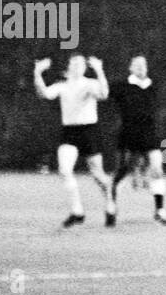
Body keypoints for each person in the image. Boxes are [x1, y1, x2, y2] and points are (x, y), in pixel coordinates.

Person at [33, 55, 114, 228]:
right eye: (73, 63)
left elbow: (104, 94)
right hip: (70, 132)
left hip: (89, 131)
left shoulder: (89, 83)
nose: (77, 66)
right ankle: (77, 211)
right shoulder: (62, 86)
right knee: (64, 170)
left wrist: (100, 70)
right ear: (69, 66)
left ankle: (110, 205)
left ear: (85, 67)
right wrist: (38, 72)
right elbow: (45, 94)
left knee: (98, 175)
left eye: (80, 63)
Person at [107, 55, 166, 225]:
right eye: (137, 64)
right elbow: (104, 94)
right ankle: (111, 206)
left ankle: (160, 210)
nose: (141, 67)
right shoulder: (121, 86)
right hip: (128, 134)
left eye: (143, 64)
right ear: (130, 68)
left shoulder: (153, 87)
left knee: (157, 169)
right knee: (122, 171)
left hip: (149, 134)